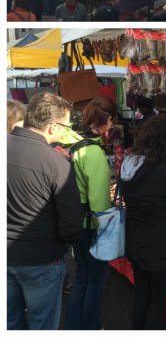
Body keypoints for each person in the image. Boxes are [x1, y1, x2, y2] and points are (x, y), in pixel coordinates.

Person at [8, 92, 84, 330]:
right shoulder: (57, 163)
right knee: (42, 325)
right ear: (52, 127)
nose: (66, 130)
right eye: (65, 125)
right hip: (41, 260)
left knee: (10, 323)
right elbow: (71, 223)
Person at [119, 115, 166, 329]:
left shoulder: (129, 165)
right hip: (162, 246)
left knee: (142, 294)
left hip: (136, 241)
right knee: (159, 302)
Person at [60, 100, 114, 330]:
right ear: (101, 124)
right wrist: (107, 230)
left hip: (74, 221)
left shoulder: (72, 144)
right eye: (111, 123)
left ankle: (74, 326)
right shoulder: (93, 152)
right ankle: (91, 326)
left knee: (82, 277)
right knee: (95, 281)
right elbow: (100, 200)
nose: (111, 128)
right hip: (91, 226)